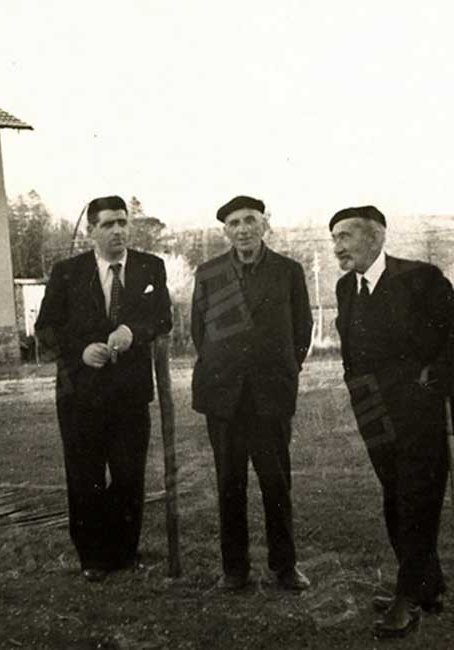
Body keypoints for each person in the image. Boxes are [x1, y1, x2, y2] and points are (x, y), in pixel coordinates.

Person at [330, 206, 454, 638]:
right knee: (395, 495)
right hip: (372, 412)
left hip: (420, 411)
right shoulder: (346, 287)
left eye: (345, 236)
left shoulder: (420, 278)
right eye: (334, 239)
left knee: (416, 499)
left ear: (377, 237)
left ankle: (407, 599)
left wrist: (432, 382)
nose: (337, 247)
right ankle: (428, 585)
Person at [35, 195, 172, 582]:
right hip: (80, 395)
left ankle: (123, 552)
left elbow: (163, 317)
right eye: (109, 224)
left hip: (130, 394)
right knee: (85, 476)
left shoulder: (150, 267)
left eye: (124, 222)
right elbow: (45, 329)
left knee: (129, 476)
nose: (118, 231)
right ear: (92, 230)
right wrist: (81, 351)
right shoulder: (67, 272)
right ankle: (93, 557)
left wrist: (134, 331)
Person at [191, 195, 313, 591]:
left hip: (270, 395)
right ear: (225, 231)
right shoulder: (208, 273)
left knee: (276, 481)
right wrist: (222, 367)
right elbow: (199, 331)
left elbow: (302, 329)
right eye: (234, 223)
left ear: (265, 224)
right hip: (223, 397)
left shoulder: (288, 271)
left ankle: (284, 566)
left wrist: (281, 370)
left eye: (250, 220)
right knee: (229, 482)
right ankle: (235, 570)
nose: (243, 229)